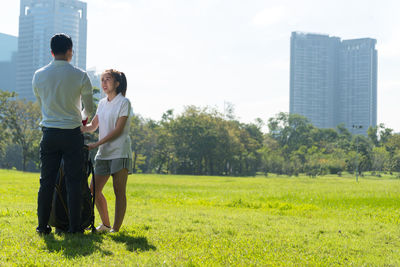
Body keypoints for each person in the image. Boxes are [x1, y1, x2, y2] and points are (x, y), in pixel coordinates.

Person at [33, 33, 94, 234]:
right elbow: (90, 109)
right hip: (72, 133)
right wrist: (82, 119)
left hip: (49, 132)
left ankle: (42, 226)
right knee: (74, 181)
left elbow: (42, 105)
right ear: (70, 51)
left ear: (51, 51)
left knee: (46, 181)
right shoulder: (80, 75)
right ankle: (74, 228)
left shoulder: (39, 75)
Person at [81, 69, 133, 233]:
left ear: (117, 83)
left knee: (119, 192)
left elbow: (118, 130)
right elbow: (93, 126)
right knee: (93, 190)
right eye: (102, 80)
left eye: (107, 80)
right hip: (103, 154)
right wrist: (78, 127)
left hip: (120, 152)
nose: (104, 83)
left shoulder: (124, 102)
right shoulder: (102, 103)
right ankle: (106, 224)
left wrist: (96, 144)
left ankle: (115, 230)